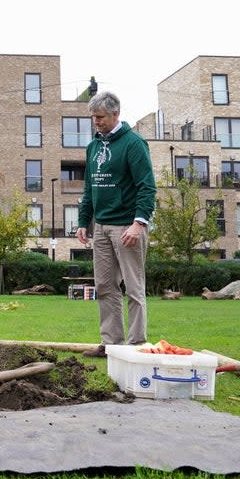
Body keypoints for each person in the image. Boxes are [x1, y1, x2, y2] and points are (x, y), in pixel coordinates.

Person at [77, 91, 156, 357]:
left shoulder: (134, 144)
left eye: (100, 117)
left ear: (115, 114)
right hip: (101, 226)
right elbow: (89, 188)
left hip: (127, 226)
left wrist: (139, 223)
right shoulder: (94, 146)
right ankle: (111, 343)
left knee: (133, 287)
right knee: (104, 286)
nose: (96, 122)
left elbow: (147, 186)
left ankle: (137, 344)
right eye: (93, 117)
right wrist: (83, 221)